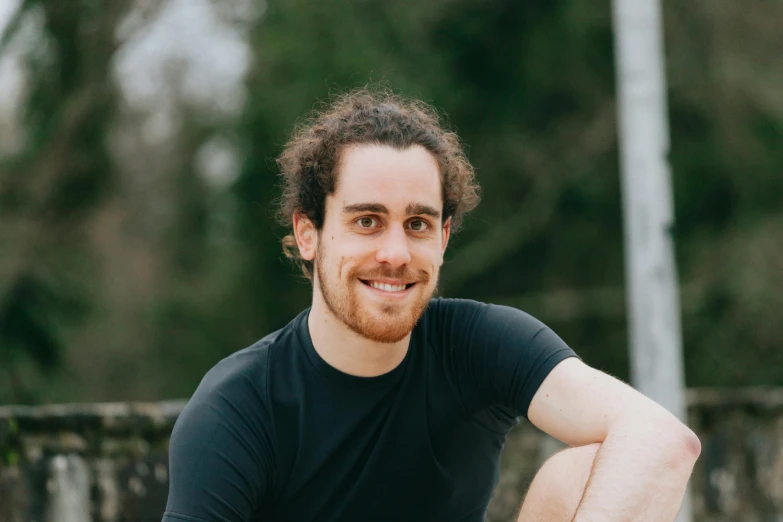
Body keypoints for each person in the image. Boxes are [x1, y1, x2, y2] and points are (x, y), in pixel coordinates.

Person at [162, 88, 700, 522]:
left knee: (583, 473)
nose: (395, 253)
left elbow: (662, 441)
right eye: (366, 220)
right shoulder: (237, 409)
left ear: (442, 239)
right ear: (308, 233)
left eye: (416, 224)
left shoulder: (477, 343)